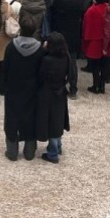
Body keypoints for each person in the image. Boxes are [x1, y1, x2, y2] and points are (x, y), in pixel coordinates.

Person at [0, 12, 43, 159]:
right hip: (32, 88)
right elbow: (41, 71)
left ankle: (12, 150)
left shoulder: (11, 47)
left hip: (13, 87)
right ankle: (29, 151)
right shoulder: (39, 49)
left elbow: (5, 69)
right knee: (31, 117)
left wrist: (2, 87)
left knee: (11, 117)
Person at [37, 32, 72, 163]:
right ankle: (58, 145)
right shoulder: (66, 57)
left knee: (51, 121)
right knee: (58, 119)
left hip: (47, 92)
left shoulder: (47, 60)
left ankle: (53, 153)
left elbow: (40, 76)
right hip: (60, 91)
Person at [81, 0, 109, 94]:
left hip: (94, 40)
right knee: (104, 64)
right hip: (106, 40)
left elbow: (86, 26)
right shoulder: (108, 8)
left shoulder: (91, 11)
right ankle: (102, 85)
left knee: (95, 65)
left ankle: (96, 85)